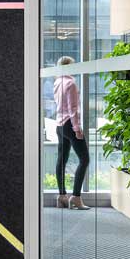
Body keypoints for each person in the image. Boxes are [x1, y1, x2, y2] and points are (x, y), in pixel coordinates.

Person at [53, 57, 90, 210]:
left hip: (59, 125)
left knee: (62, 160)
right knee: (84, 159)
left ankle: (62, 196)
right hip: (69, 124)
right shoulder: (71, 83)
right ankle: (76, 197)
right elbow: (73, 109)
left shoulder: (57, 82)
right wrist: (77, 129)